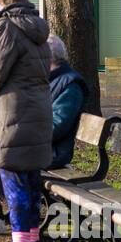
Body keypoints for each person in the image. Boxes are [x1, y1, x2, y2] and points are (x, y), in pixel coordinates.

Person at [0, 0, 54, 242]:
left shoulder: (6, 27)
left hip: (14, 112)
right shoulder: (37, 28)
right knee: (30, 177)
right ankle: (31, 239)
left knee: (13, 176)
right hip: (37, 110)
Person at [47, 34, 91, 169]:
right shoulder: (49, 79)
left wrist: (24, 137)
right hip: (39, 149)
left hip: (52, 153)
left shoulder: (70, 85)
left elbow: (57, 126)